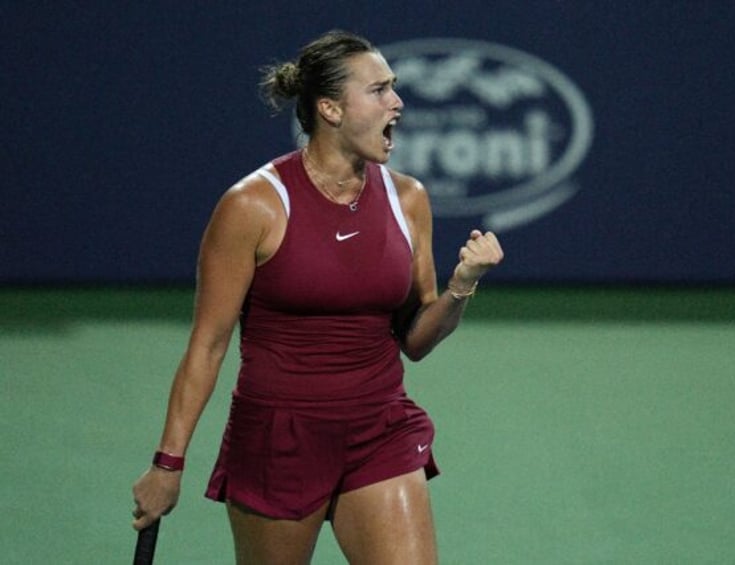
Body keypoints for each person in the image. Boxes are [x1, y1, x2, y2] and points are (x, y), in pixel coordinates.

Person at [131, 29, 503, 564]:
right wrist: (168, 464)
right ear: (329, 108)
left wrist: (461, 286)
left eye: (393, 88)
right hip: (277, 442)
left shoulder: (409, 199)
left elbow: (416, 340)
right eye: (378, 90)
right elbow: (208, 346)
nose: (396, 102)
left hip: (379, 429)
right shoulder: (253, 206)